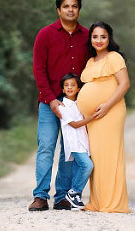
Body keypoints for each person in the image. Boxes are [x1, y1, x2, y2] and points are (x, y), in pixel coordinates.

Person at [30, 0, 90, 211]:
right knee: (46, 147)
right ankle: (40, 196)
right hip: (49, 103)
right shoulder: (45, 35)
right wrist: (52, 100)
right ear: (58, 10)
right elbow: (39, 70)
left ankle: (63, 196)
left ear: (79, 9)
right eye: (66, 6)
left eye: (74, 6)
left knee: (70, 150)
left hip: (76, 106)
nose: (70, 10)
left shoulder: (87, 36)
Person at [76, 21, 130, 213]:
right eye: (95, 36)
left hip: (111, 112)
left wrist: (107, 105)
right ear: (90, 39)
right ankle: (97, 202)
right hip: (93, 118)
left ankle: (113, 203)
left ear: (109, 38)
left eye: (103, 36)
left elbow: (124, 84)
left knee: (110, 156)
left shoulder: (114, 57)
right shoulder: (91, 62)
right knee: (96, 158)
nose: (99, 40)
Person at [56, 73, 94, 210]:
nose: (69, 87)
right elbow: (75, 124)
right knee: (87, 165)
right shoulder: (62, 107)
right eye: (66, 85)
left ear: (78, 88)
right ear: (62, 89)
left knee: (78, 169)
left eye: (73, 85)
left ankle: (73, 199)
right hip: (74, 144)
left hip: (83, 143)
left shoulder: (80, 104)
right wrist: (93, 117)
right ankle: (73, 193)